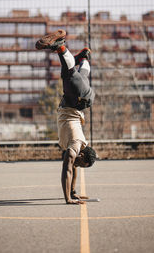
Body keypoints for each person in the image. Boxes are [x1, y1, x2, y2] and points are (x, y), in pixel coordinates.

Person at [35, 29, 96, 204]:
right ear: (82, 156)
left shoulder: (78, 146)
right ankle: (61, 46)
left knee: (81, 75)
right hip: (76, 100)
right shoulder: (75, 146)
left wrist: (73, 191)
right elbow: (67, 169)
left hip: (83, 99)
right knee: (68, 73)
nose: (77, 165)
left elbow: (74, 167)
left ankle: (83, 58)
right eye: (81, 163)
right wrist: (68, 198)